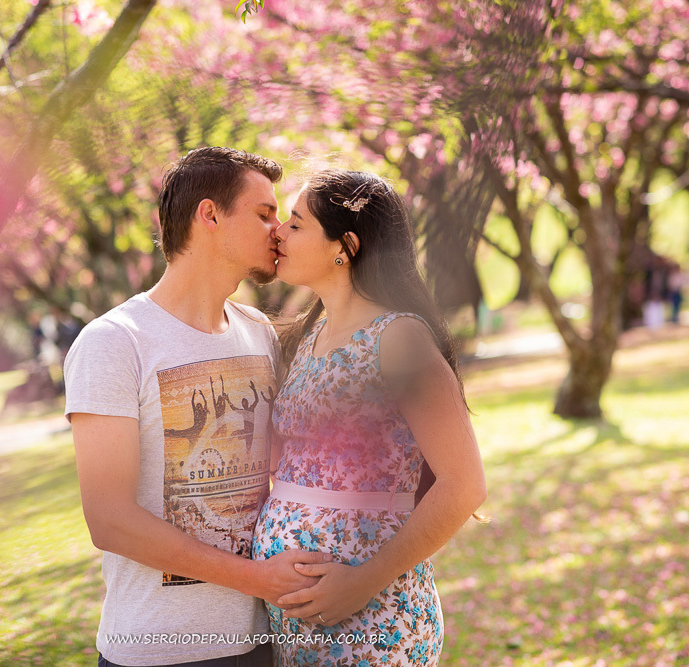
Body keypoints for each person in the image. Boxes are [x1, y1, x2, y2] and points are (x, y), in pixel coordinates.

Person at [64, 147, 330, 667]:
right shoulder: (115, 343)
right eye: (263, 213)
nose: (278, 230)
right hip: (157, 651)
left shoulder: (258, 334)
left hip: (261, 640)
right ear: (209, 216)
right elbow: (109, 519)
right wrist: (259, 578)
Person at [252, 170, 488, 666]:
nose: (279, 232)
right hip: (299, 622)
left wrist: (361, 582)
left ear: (346, 246)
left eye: (296, 223)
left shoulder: (397, 339)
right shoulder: (305, 339)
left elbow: (464, 485)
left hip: (373, 613)